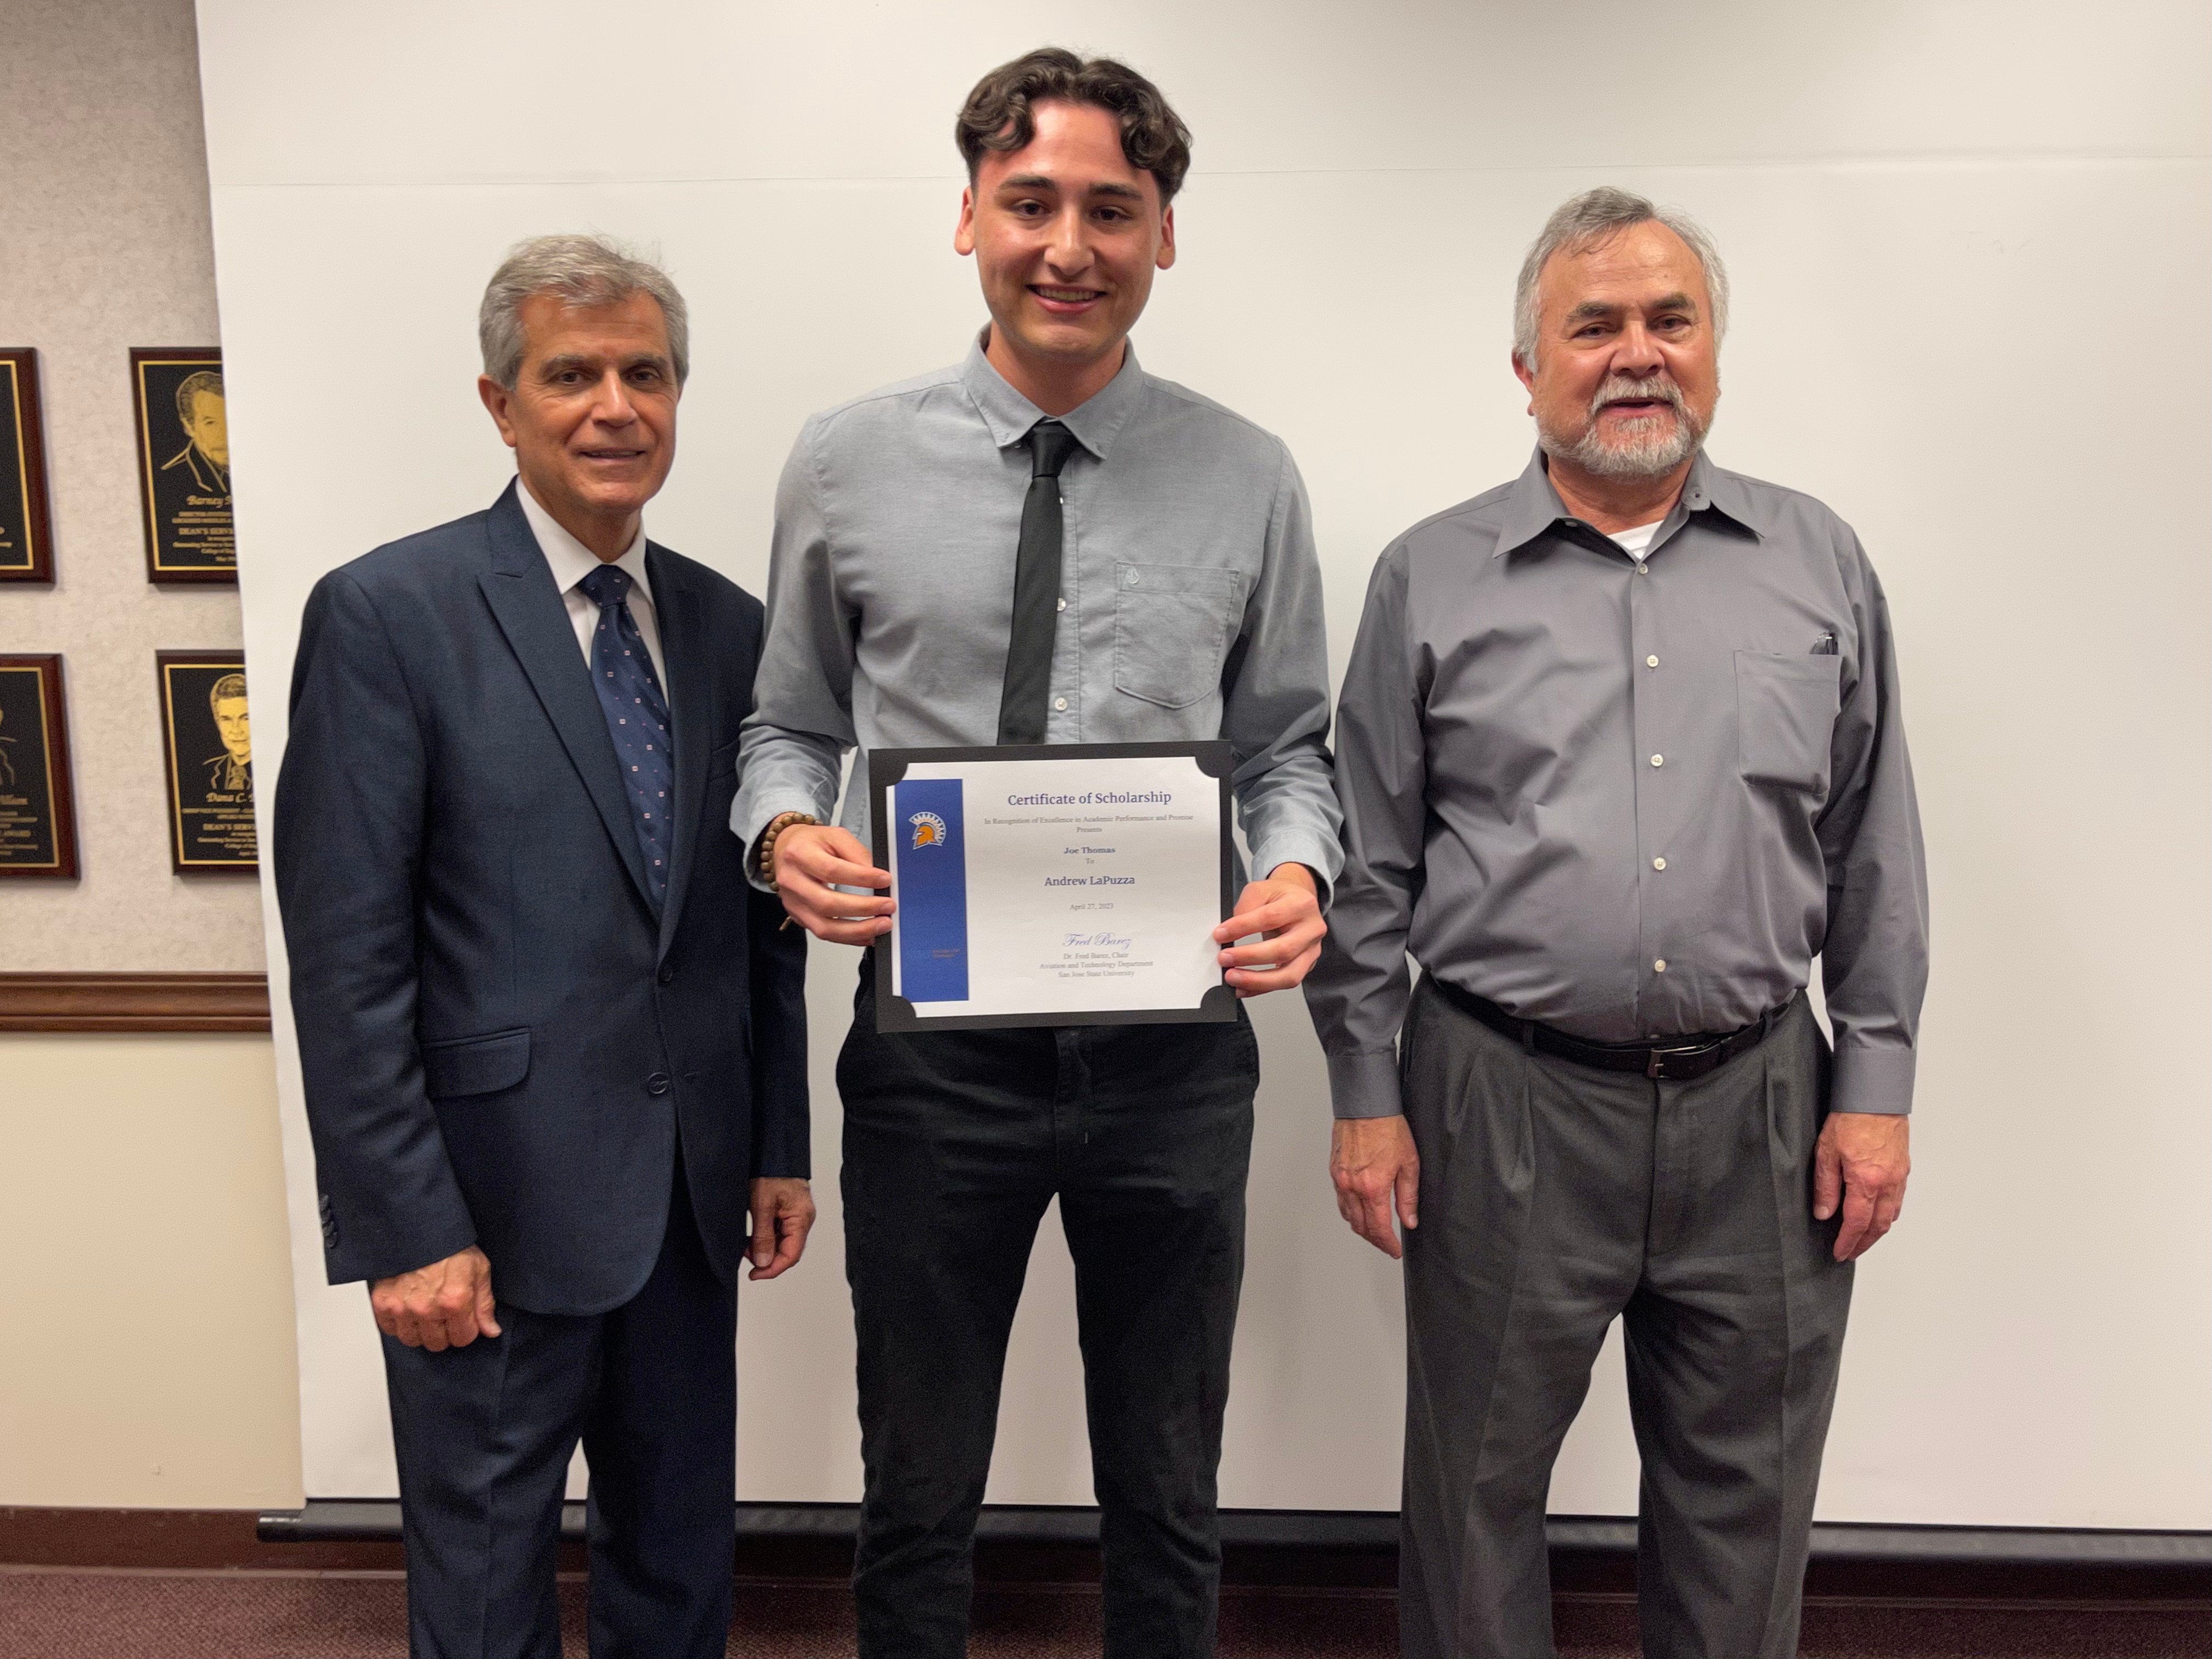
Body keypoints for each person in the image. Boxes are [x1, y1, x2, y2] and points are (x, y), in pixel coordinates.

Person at [734, 48, 1341, 1659]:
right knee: (915, 1481)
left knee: (1167, 1480)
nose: (1067, 246)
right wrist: (784, 831)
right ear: (967, 218)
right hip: (933, 1057)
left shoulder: (1248, 475)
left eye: (1109, 210)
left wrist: (1296, 872)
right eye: (1029, 203)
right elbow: (786, 720)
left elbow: (1287, 744)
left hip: (1171, 1056)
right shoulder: (843, 462)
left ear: (1162, 235)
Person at [1305, 187, 1928, 1659]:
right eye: (1591, 325)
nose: (1634, 352)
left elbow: (1869, 837)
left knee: (1745, 1500)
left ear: (1710, 351)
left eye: (1668, 319)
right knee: (1471, 1489)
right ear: (1526, 367)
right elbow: (1367, 862)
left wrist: (1874, 1088)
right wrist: (1362, 1095)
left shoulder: (1815, 559)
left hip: (1761, 1106)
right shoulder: (1428, 575)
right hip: (1500, 1098)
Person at [275, 234, 813, 1659]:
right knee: (481, 1579)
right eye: (571, 375)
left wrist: (775, 1141)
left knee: (679, 1557)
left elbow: (754, 923)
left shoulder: (730, 626)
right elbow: (345, 957)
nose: (614, 406)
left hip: (690, 1200)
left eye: (646, 373)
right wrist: (405, 1225)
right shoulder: (387, 613)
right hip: (485, 1211)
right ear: (499, 404)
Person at [162, 369, 229, 494]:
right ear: (189, 426)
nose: (225, 435)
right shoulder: (167, 482)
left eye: (230, 421)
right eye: (211, 423)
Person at [204, 671, 250, 795]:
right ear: (217, 721)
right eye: (226, 719)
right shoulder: (206, 770)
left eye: (245, 718)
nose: (236, 730)